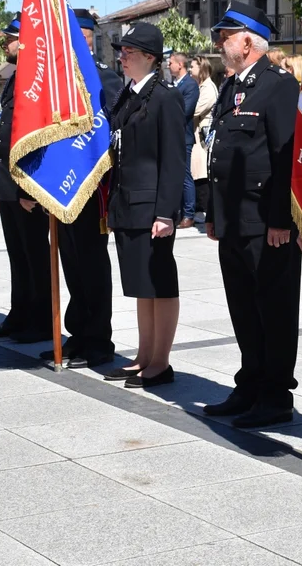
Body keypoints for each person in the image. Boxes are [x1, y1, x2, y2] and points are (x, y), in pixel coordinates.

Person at [202, 1, 301, 429]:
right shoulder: (234, 85)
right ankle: (250, 383)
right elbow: (218, 154)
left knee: (273, 311)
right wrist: (213, 212)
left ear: (249, 39)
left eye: (225, 35)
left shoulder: (278, 85)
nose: (219, 42)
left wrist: (282, 218)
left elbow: (286, 155)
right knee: (243, 307)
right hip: (233, 218)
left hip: (266, 222)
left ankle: (275, 395)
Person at [39, 8, 124, 367]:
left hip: (92, 186)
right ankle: (77, 332)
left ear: (88, 38)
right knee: (70, 261)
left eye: (79, 36)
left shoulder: (106, 79)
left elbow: (113, 132)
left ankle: (98, 339)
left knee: (91, 262)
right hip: (62, 186)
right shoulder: (56, 85)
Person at [104, 22, 186, 388]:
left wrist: (167, 211)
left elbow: (173, 157)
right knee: (140, 284)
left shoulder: (164, 97)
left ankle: (161, 361)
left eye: (129, 52)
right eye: (121, 51)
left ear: (150, 58)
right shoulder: (128, 94)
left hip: (152, 206)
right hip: (127, 203)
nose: (122, 57)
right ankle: (143, 354)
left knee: (159, 283)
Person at [0, 13, 51, 345]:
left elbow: (40, 138)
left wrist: (31, 190)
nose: (6, 44)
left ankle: (39, 320)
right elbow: (6, 136)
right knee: (17, 254)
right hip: (10, 184)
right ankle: (19, 313)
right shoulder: (14, 77)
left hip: (29, 185)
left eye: (11, 37)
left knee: (36, 255)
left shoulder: (40, 79)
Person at [167, 52, 199, 229]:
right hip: (171, 136)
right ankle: (177, 211)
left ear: (180, 65)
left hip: (183, 137)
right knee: (173, 174)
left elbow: (184, 111)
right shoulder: (172, 85)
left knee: (185, 175)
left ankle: (189, 214)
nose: (167, 65)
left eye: (170, 62)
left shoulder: (190, 85)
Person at [189, 56, 218, 221]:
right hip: (196, 135)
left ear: (202, 68)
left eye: (193, 66)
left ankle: (204, 209)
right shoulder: (200, 87)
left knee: (201, 174)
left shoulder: (208, 88)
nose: (191, 69)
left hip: (201, 137)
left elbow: (195, 109)